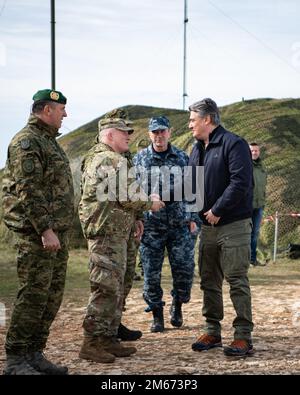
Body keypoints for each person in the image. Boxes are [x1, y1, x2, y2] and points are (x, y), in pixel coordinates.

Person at [78, 110, 164, 364]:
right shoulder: (109, 159)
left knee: (114, 288)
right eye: (124, 133)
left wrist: (135, 218)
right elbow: (129, 195)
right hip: (107, 234)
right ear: (110, 134)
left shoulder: (111, 157)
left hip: (114, 231)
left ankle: (106, 339)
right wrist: (151, 203)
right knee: (105, 288)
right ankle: (91, 343)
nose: (129, 136)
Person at [2, 89, 74, 375]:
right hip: (37, 235)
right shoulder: (27, 141)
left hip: (56, 233)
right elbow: (28, 190)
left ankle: (34, 353)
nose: (65, 115)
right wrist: (45, 229)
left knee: (50, 296)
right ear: (46, 110)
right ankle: (16, 360)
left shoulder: (48, 142)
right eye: (61, 109)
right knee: (33, 294)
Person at [188, 98, 254, 357]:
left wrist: (218, 209)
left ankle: (243, 337)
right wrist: (158, 198)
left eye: (193, 119)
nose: (190, 124)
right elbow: (190, 183)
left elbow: (241, 182)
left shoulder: (233, 144)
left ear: (207, 119)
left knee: (236, 280)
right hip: (207, 228)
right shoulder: (196, 148)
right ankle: (212, 330)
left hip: (233, 225)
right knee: (209, 280)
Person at [133, 116, 198, 333]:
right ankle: (156, 314)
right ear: (149, 134)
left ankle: (177, 305)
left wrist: (193, 219)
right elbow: (131, 192)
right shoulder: (139, 159)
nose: (159, 136)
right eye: (154, 132)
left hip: (180, 225)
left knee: (184, 271)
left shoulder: (182, 157)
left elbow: (193, 189)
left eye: (162, 131)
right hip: (151, 227)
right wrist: (136, 219)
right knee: (151, 273)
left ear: (169, 132)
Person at [249, 142, 267, 266]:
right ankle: (242, 260)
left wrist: (263, 204)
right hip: (246, 206)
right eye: (252, 151)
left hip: (259, 206)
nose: (254, 153)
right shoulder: (244, 166)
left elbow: (263, 187)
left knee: (255, 234)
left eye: (256, 150)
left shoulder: (262, 167)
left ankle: (252, 259)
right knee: (244, 234)